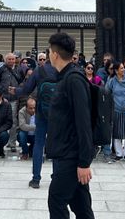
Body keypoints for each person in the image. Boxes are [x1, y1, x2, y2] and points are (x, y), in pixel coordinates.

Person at [45, 32, 95, 219]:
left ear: (55, 54)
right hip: (66, 152)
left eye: (50, 51)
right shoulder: (65, 77)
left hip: (71, 155)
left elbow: (83, 122)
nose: (49, 55)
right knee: (81, 206)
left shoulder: (73, 79)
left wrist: (84, 162)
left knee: (56, 200)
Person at [12, 49, 59, 188]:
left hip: (41, 112)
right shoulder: (62, 70)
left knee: (39, 144)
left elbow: (26, 90)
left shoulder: (39, 71)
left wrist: (15, 90)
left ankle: (36, 179)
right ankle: (56, 177)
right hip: (57, 114)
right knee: (56, 144)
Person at [0, 52, 23, 151]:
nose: (11, 61)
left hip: (14, 99)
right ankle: (1, 143)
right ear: (5, 60)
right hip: (4, 98)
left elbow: (22, 81)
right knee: (1, 120)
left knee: (13, 121)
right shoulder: (1, 69)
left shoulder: (19, 69)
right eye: (9, 59)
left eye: (12, 59)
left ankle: (12, 143)